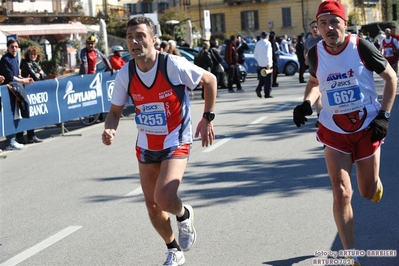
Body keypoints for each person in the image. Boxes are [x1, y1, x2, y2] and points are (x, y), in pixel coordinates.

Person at [101, 16, 217, 266]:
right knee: (153, 205)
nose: (134, 41)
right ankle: (174, 249)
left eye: (140, 35)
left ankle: (184, 214)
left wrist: (207, 118)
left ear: (154, 40)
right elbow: (114, 112)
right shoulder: (126, 73)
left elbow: (210, 80)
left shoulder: (172, 65)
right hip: (146, 144)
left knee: (164, 197)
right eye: (130, 36)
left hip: (176, 138)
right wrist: (110, 129)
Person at [293, 2, 397, 265]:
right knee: (341, 191)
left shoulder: (361, 47)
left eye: (334, 22)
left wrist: (384, 116)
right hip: (334, 130)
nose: (329, 28)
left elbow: (391, 78)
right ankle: (350, 255)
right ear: (317, 27)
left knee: (366, 191)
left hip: (366, 128)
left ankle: (374, 183)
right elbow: (316, 82)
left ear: (344, 23)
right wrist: (306, 102)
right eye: (323, 23)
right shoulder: (315, 53)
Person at [0, 39, 34, 151]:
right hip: (8, 92)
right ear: (8, 48)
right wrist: (23, 81)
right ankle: (10, 141)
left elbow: (16, 75)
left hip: (15, 91)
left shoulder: (15, 58)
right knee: (10, 116)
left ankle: (13, 139)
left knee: (16, 115)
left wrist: (24, 79)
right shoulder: (5, 59)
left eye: (16, 46)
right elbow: (10, 77)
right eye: (12, 47)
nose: (14, 49)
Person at [16, 46, 46, 144]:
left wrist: (40, 74)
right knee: (24, 113)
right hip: (24, 91)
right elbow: (36, 78)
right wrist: (39, 74)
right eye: (31, 54)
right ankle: (20, 136)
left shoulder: (36, 64)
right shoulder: (26, 64)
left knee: (31, 113)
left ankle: (31, 135)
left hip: (33, 92)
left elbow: (43, 76)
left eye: (34, 54)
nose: (33, 56)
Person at [304, 20, 323, 127]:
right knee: (317, 94)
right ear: (310, 29)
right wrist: (307, 59)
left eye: (316, 27)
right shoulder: (308, 41)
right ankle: (320, 116)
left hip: (326, 70)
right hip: (315, 71)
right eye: (312, 27)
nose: (315, 29)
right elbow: (305, 52)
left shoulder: (323, 39)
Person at [253, 31, 273, 98]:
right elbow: (268, 54)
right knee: (268, 80)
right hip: (267, 64)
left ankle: (258, 89)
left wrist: (259, 61)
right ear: (267, 36)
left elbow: (255, 54)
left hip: (261, 64)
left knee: (262, 78)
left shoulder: (258, 43)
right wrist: (268, 64)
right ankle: (267, 93)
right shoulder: (268, 43)